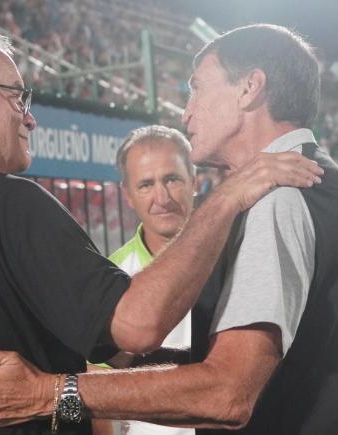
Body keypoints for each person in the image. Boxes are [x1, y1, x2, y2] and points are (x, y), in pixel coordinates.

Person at [0, 26, 322, 435]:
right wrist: (227, 197)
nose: (29, 118)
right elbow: (137, 326)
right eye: (17, 97)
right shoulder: (4, 204)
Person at [0, 24, 338, 435]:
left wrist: (47, 394)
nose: (186, 111)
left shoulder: (278, 198)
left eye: (196, 87)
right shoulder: (324, 183)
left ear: (250, 88)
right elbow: (275, 367)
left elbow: (228, 394)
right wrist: (128, 362)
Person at [97, 125, 197, 435]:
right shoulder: (109, 277)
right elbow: (93, 392)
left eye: (172, 179)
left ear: (195, 182)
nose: (162, 197)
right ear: (127, 195)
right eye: (145, 185)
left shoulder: (238, 258)